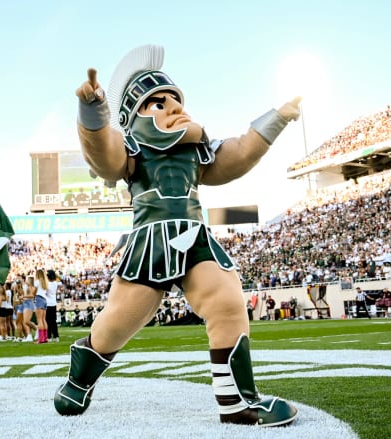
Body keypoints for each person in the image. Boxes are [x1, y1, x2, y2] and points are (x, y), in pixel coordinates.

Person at [54, 45, 301, 427]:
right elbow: (102, 152)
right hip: (151, 242)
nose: (172, 106)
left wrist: (277, 119)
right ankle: (79, 378)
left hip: (194, 237)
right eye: (158, 103)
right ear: (134, 117)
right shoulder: (131, 149)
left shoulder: (195, 152)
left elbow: (236, 154)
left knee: (227, 301)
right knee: (117, 322)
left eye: (174, 99)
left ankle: (238, 401)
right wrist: (93, 110)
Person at [45, 269, 61, 342]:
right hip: (53, 303)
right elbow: (59, 278)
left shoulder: (47, 284)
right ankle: (56, 336)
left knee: (48, 321)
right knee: (53, 321)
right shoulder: (55, 283)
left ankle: (48, 336)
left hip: (48, 304)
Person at [34, 269, 49, 344]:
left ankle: (40, 339)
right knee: (43, 320)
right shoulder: (45, 282)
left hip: (39, 298)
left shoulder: (37, 282)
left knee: (39, 320)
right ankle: (45, 338)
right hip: (44, 299)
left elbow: (34, 291)